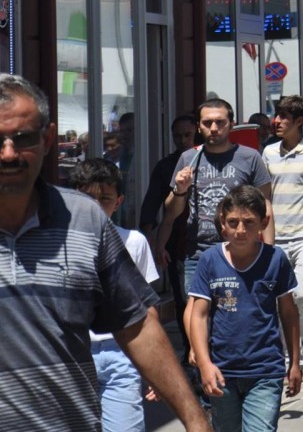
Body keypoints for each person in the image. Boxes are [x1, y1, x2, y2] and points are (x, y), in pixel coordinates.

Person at [0, 74, 210, 431]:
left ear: (48, 139)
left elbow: (137, 326)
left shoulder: (84, 220)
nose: (8, 153)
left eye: (23, 138)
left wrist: (195, 420)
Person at [164, 98, 275, 354]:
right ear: (199, 126)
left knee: (239, 313)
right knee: (196, 310)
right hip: (199, 252)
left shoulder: (250, 158)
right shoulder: (189, 158)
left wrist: (269, 251)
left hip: (242, 252)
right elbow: (172, 211)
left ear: (231, 124)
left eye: (220, 122)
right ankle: (199, 358)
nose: (213, 128)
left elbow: (265, 205)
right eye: (207, 123)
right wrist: (180, 190)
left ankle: (234, 361)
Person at [189, 186, 302, 430]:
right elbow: (198, 316)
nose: (240, 230)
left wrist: (295, 362)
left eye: (249, 222)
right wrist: (204, 363)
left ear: (264, 222)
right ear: (223, 222)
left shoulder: (276, 259)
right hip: (222, 371)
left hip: (265, 370)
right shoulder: (209, 260)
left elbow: (289, 313)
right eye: (233, 222)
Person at [73, 158, 161, 432]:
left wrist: (155, 368)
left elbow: (146, 312)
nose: (95, 206)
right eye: (88, 198)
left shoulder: (134, 242)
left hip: (122, 354)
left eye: (105, 199)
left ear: (119, 201)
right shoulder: (58, 244)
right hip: (75, 355)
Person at [262, 95, 303, 384]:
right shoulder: (268, 153)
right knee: (281, 299)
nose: (276, 121)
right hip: (276, 238)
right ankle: (290, 358)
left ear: (299, 121)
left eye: (283, 117)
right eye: (276, 115)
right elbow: (264, 196)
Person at [139, 113, 199, 355]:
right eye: (177, 136)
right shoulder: (166, 166)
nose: (182, 140)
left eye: (187, 135)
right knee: (184, 298)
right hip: (177, 242)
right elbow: (151, 203)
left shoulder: (209, 159)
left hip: (214, 240)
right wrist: (154, 241)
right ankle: (190, 349)